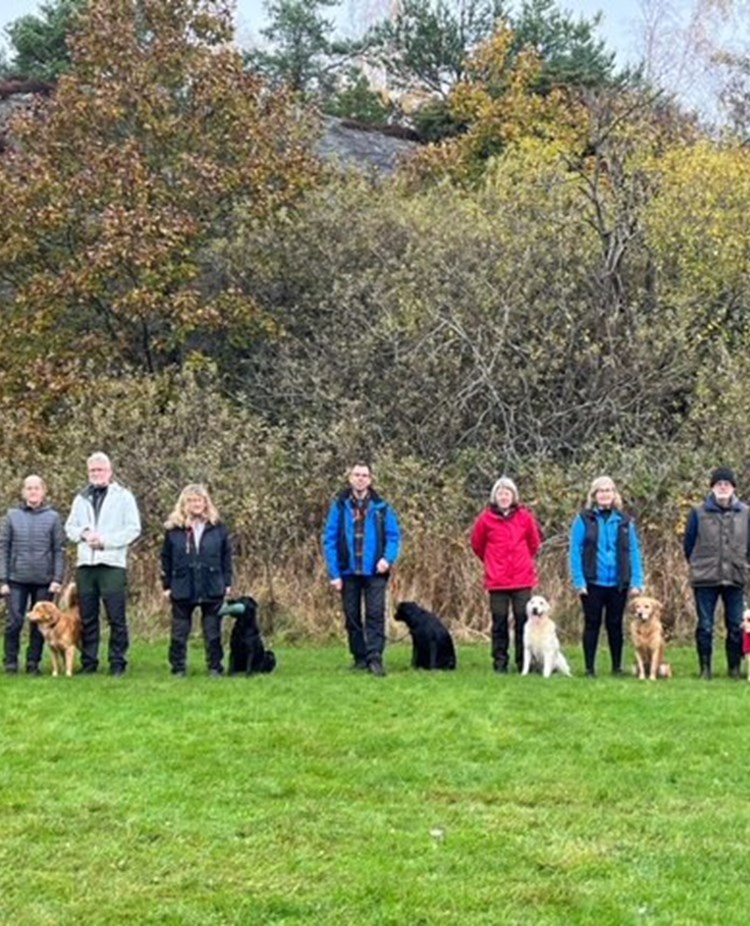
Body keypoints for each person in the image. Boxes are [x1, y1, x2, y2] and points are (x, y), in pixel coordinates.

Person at [65, 452, 141, 675]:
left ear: (109, 471)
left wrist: (106, 542)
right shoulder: (81, 498)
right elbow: (70, 528)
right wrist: (85, 534)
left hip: (112, 563)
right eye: (92, 470)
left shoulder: (124, 497)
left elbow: (133, 529)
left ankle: (118, 662)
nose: (96, 474)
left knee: (115, 616)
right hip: (86, 564)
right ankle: (89, 662)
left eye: (100, 470)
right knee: (87, 616)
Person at [323, 462, 402, 676]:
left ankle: (375, 657)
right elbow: (329, 540)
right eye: (356, 475)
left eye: (364, 475)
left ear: (370, 479)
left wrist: (387, 558)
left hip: (375, 571)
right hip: (348, 571)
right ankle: (359, 657)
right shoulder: (339, 507)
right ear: (350, 478)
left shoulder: (382, 508)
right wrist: (334, 574)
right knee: (352, 616)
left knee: (375, 614)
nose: (360, 478)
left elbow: (394, 537)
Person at [569, 475, 645, 677]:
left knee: (615, 625)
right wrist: (579, 581)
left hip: (618, 582)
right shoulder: (583, 519)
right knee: (592, 624)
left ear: (614, 494)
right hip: (592, 582)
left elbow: (634, 552)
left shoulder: (625, 521)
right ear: (594, 495)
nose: (605, 494)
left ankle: (617, 667)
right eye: (600, 491)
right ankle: (589, 668)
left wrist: (637, 581)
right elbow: (575, 551)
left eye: (608, 490)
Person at [470, 476, 543, 673]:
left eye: (507, 493)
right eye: (500, 493)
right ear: (495, 496)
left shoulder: (525, 517)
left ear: (513, 496)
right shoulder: (485, 519)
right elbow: (477, 545)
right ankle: (500, 662)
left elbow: (534, 543)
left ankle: (523, 662)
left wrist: (523, 560)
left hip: (521, 578)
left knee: (523, 620)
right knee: (499, 621)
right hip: (497, 580)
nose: (504, 497)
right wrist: (491, 563)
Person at [683, 467, 750, 680]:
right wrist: (697, 565)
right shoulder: (698, 512)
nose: (723, 487)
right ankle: (705, 668)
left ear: (733, 488)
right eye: (718, 484)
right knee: (705, 625)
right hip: (705, 577)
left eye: (727, 484)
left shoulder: (746, 513)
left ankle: (734, 668)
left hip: (736, 576)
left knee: (736, 625)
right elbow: (688, 544)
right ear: (712, 487)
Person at [160, 484, 233, 677]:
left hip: (212, 584)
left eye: (199, 500)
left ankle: (215, 667)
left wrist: (227, 582)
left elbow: (226, 557)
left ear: (206, 503)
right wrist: (166, 585)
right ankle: (178, 667)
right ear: (184, 503)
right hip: (183, 585)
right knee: (179, 631)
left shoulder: (218, 528)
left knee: (213, 630)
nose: (196, 504)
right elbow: (165, 559)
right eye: (191, 500)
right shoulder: (173, 529)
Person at [0, 475, 66, 674]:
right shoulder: (11, 516)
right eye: (29, 488)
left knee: (40, 624)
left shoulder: (53, 517)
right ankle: (11, 662)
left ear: (43, 491)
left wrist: (57, 578)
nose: (33, 491)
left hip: (44, 581)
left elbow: (59, 550)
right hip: (15, 579)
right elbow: (3, 548)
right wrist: (2, 579)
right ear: (23, 492)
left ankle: (33, 663)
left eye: (36, 488)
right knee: (15, 622)